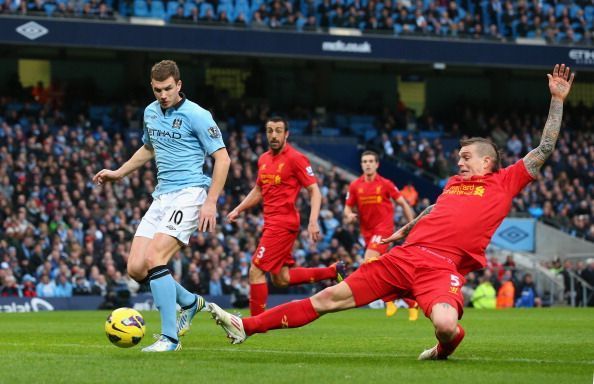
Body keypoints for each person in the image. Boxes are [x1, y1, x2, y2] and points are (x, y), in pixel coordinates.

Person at [208, 64, 574, 359]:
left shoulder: (506, 181)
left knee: (447, 326)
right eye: (458, 157)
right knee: (327, 299)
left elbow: (544, 148)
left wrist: (556, 100)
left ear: (487, 161)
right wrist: (407, 229)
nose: (458, 161)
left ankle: (444, 347)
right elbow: (436, 207)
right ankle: (246, 326)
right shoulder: (452, 184)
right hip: (404, 256)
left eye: (465, 157)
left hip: (440, 266)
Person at [93, 60, 230, 352]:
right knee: (135, 268)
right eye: (157, 90)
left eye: (168, 88)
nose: (163, 94)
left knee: (156, 256)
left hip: (190, 194)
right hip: (162, 196)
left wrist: (211, 202)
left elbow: (223, 158)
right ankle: (191, 303)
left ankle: (170, 338)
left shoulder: (197, 114)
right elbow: (148, 147)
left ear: (179, 85)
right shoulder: (151, 112)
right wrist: (119, 172)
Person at [227, 117, 345, 316]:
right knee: (281, 279)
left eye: (278, 130)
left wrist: (313, 221)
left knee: (255, 271)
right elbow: (258, 190)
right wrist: (239, 209)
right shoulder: (263, 159)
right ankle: (333, 271)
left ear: (286, 134)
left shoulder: (296, 158)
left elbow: (314, 191)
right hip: (271, 223)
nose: (274, 135)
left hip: (282, 224)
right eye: (270, 130)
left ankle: (254, 323)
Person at [343, 150, 418, 319]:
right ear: (361, 164)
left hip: (383, 230)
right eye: (364, 161)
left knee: (368, 262)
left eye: (371, 161)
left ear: (377, 164)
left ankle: (389, 301)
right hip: (367, 233)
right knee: (383, 269)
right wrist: (348, 215)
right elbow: (347, 207)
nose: (367, 164)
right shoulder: (355, 185)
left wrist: (412, 226)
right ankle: (408, 301)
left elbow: (403, 203)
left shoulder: (386, 184)